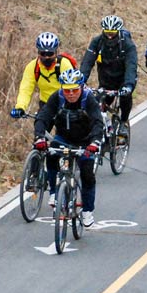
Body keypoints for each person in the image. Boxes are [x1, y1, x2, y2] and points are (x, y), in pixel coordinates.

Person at [34, 68, 104, 227]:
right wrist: (39, 137)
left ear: (81, 87)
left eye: (74, 90)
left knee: (87, 172)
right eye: (67, 90)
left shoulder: (89, 99)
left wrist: (94, 143)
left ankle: (87, 212)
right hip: (64, 138)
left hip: (85, 141)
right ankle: (53, 192)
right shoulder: (57, 98)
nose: (71, 94)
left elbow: (97, 123)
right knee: (51, 155)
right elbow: (42, 118)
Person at [80, 14, 138, 125]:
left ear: (118, 31)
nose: (110, 36)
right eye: (107, 33)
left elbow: (131, 66)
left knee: (125, 98)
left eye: (112, 33)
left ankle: (124, 122)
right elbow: (87, 62)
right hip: (106, 81)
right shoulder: (97, 42)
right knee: (95, 105)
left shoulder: (127, 44)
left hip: (124, 80)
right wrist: (81, 80)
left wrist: (128, 85)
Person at [10, 32, 80, 120]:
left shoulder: (64, 64)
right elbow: (26, 89)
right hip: (46, 105)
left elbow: (72, 87)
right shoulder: (33, 67)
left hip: (66, 104)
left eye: (50, 54)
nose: (46, 57)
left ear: (56, 52)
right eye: (43, 53)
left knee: (68, 130)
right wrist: (20, 107)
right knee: (39, 129)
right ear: (38, 52)